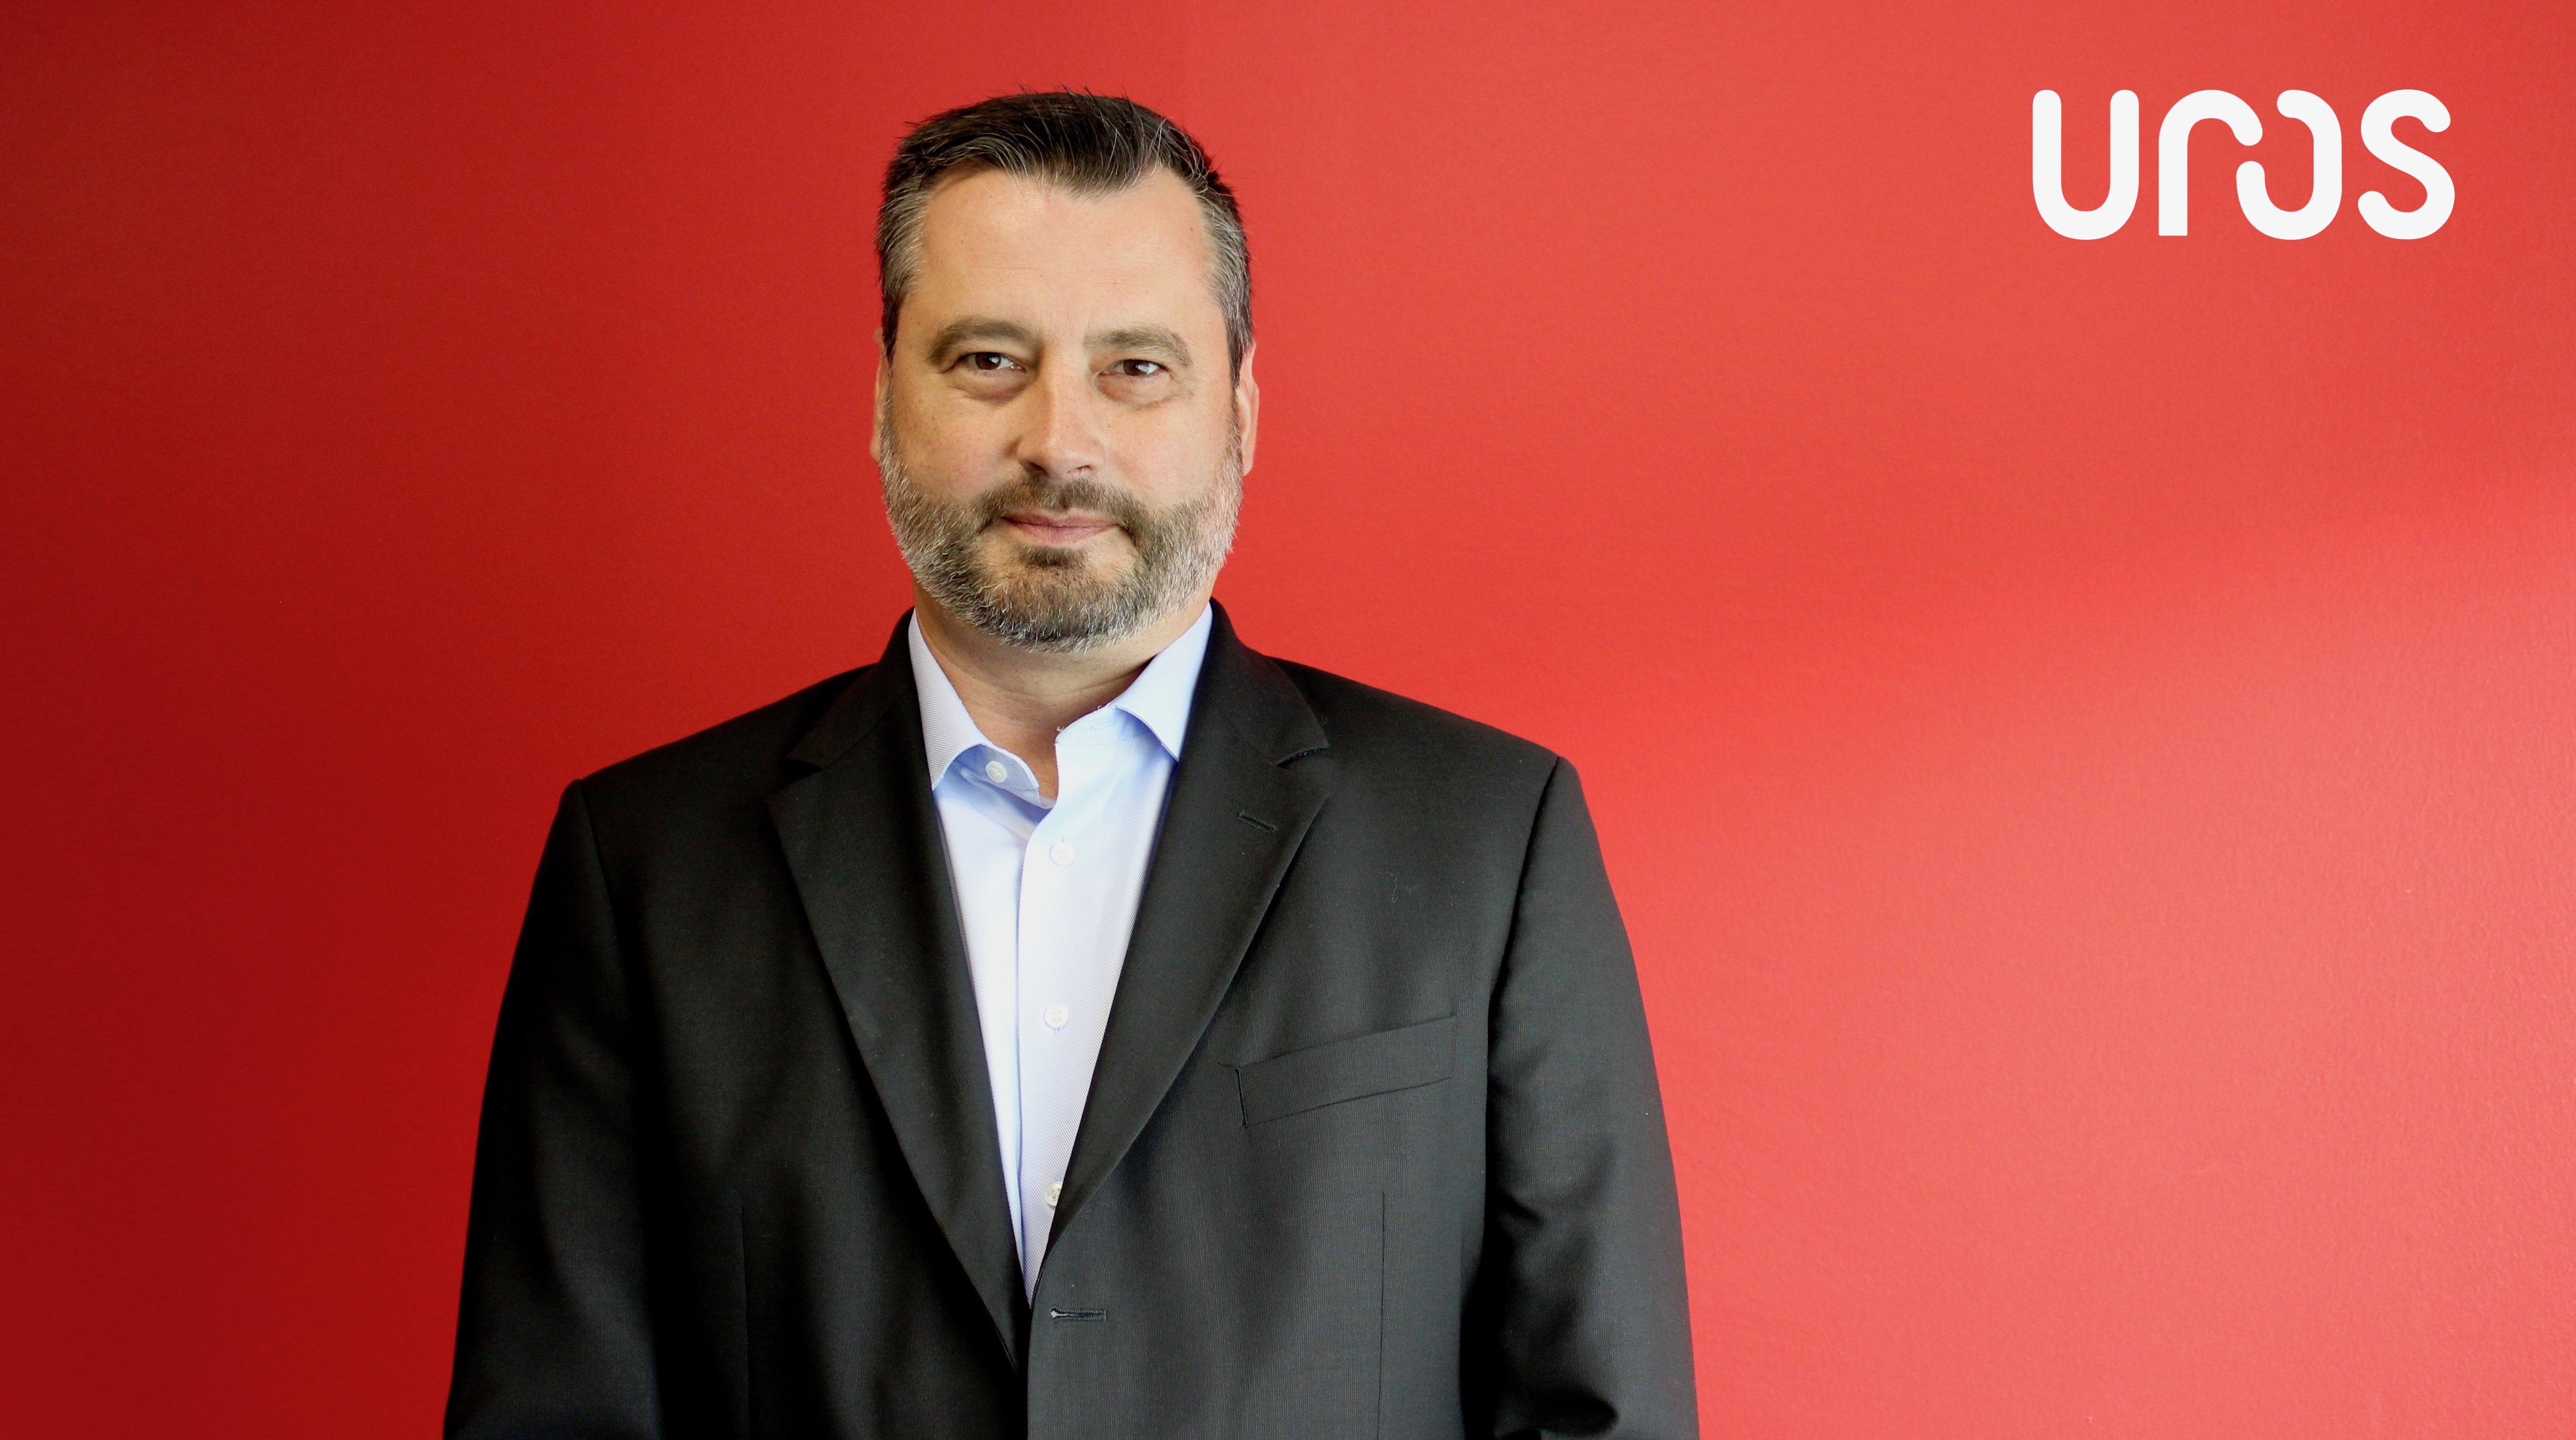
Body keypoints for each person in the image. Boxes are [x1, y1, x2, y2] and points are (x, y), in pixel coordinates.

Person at [446, 90, 1695, 1439]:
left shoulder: (1488, 840)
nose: (1059, 440)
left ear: (1240, 409)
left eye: (1135, 367)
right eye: (988, 358)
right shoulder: (644, 864)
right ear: (884, 396)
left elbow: (1601, 1412)